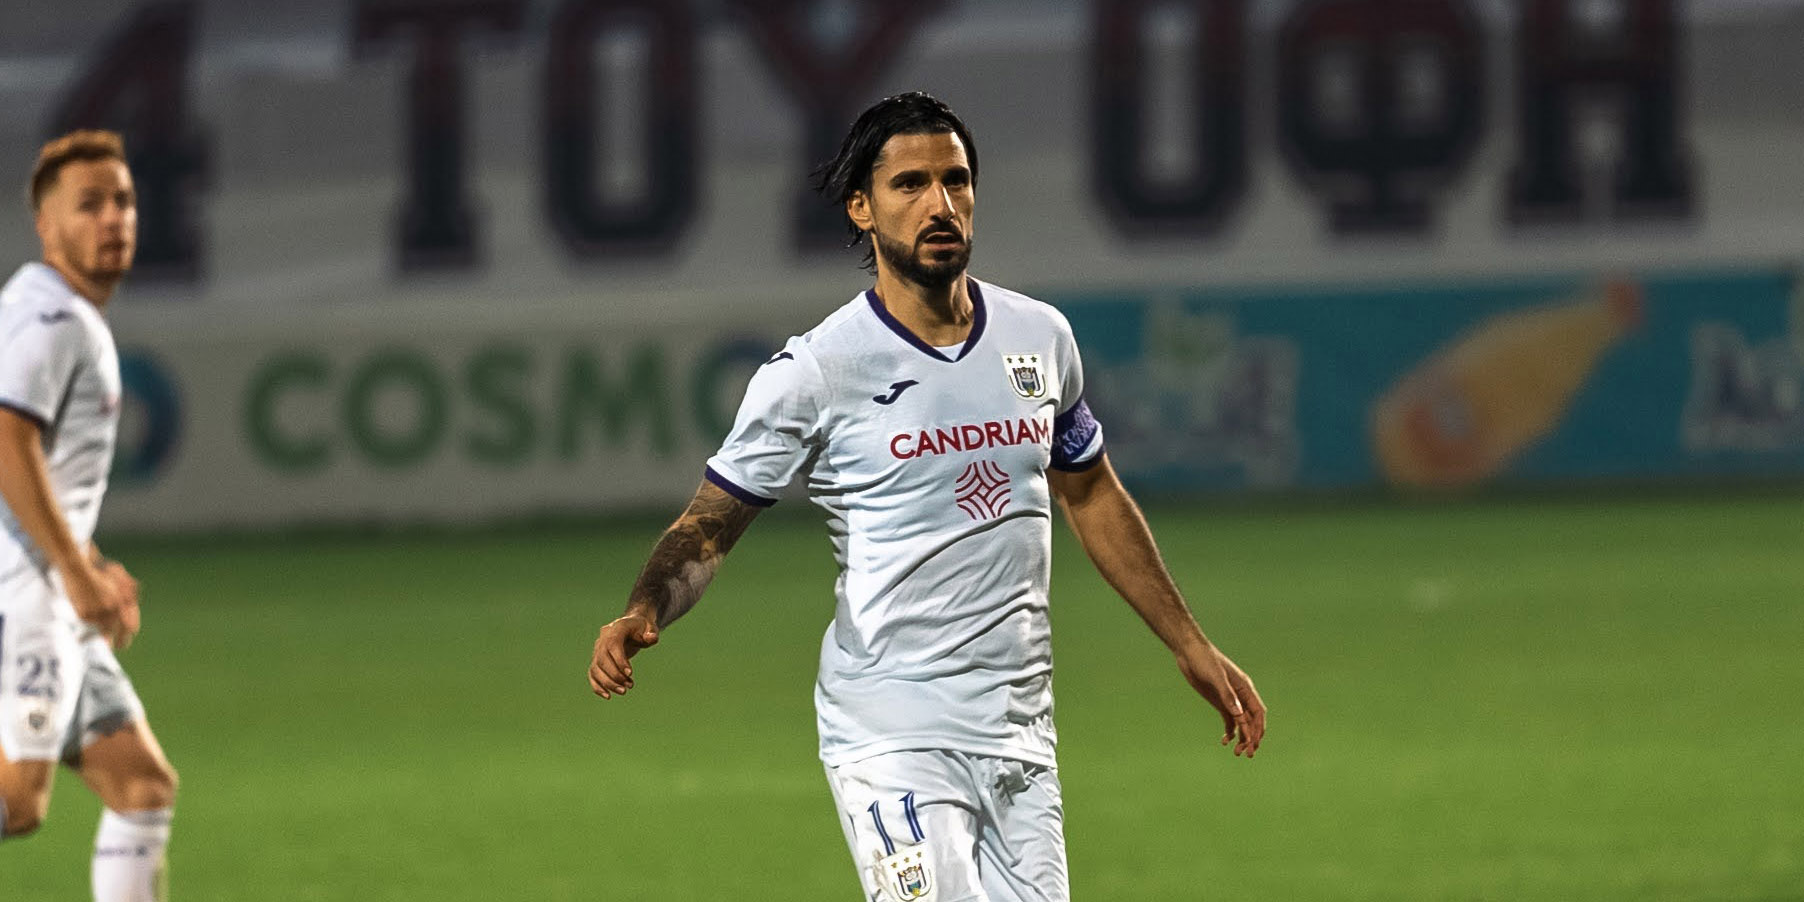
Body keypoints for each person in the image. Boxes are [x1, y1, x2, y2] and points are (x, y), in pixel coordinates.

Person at [587, 92, 1265, 901]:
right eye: (910, 184)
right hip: (891, 731)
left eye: (956, 180)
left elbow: (1090, 494)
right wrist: (644, 608)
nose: (940, 204)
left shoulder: (1039, 337)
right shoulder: (819, 370)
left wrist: (1188, 643)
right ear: (861, 207)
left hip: (1019, 732)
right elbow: (711, 522)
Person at [0, 130, 177, 901]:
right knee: (17, 801)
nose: (114, 219)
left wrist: (92, 568)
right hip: (28, 600)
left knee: (141, 784)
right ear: (46, 225)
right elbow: (7, 439)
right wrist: (75, 573)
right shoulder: (55, 323)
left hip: (52, 591)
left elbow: (39, 472)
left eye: (124, 202)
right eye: (90, 204)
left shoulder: (40, 308)